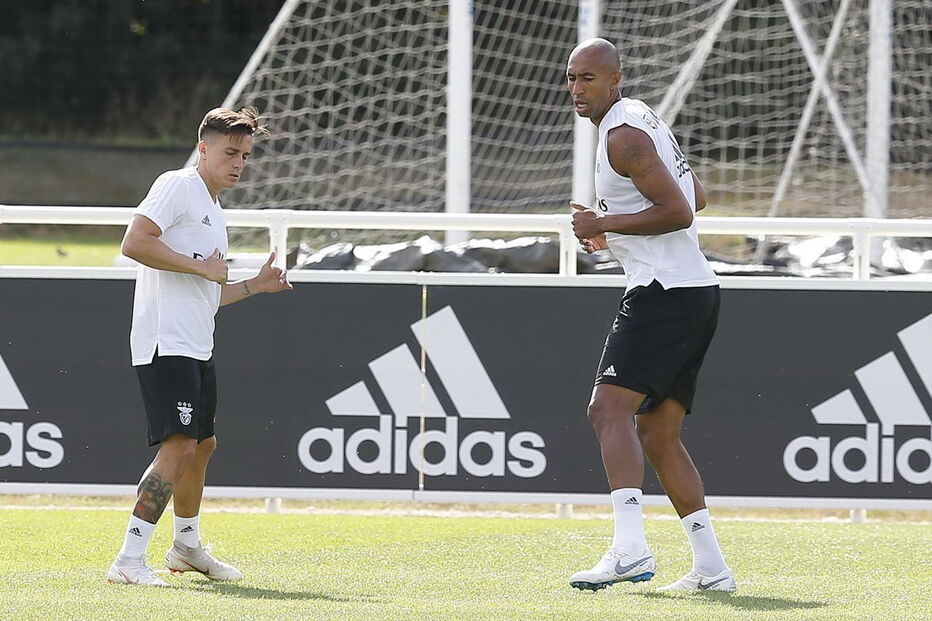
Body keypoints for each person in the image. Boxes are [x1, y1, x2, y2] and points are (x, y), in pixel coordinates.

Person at [564, 39, 735, 593]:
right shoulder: (640, 119)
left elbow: (679, 211)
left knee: (605, 410)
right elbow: (698, 195)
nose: (576, 89)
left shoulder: (624, 135)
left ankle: (629, 550)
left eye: (588, 78)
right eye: (571, 78)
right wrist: (612, 225)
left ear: (615, 78)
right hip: (694, 292)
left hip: (664, 293)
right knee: (659, 434)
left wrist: (602, 226)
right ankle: (711, 569)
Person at [107, 107, 292, 586]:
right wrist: (203, 269)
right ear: (204, 148)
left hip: (195, 343)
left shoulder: (212, 207)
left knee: (202, 445)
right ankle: (128, 560)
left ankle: (186, 547)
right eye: (231, 152)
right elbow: (134, 242)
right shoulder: (178, 184)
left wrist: (255, 285)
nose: (239, 163)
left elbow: (209, 295)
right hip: (165, 342)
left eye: (246, 156)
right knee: (180, 446)